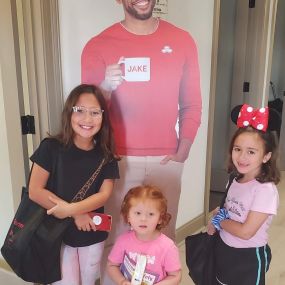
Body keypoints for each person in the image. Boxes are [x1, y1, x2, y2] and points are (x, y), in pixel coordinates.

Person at [81, 0, 202, 245]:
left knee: (162, 239)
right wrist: (105, 88)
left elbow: (192, 103)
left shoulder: (182, 40)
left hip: (167, 160)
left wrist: (182, 152)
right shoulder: (98, 46)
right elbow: (88, 116)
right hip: (117, 161)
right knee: (116, 241)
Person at [28, 84, 119, 285]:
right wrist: (76, 213)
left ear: (103, 117)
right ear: (69, 113)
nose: (87, 119)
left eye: (95, 112)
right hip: (56, 236)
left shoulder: (106, 155)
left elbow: (104, 194)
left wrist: (72, 209)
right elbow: (35, 191)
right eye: (80, 111)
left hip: (91, 234)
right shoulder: (50, 148)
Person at [208, 104, 280, 285]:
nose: (242, 157)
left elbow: (246, 232)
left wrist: (219, 220)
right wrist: (216, 221)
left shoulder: (265, 191)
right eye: (237, 149)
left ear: (266, 156)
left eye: (251, 152)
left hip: (248, 256)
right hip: (223, 248)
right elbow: (228, 208)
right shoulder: (234, 179)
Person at [107, 185, 182, 285]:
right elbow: (112, 265)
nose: (143, 219)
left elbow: (175, 276)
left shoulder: (168, 247)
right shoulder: (122, 241)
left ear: (160, 218)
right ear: (128, 216)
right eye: (138, 213)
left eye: (151, 214)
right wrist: (122, 281)